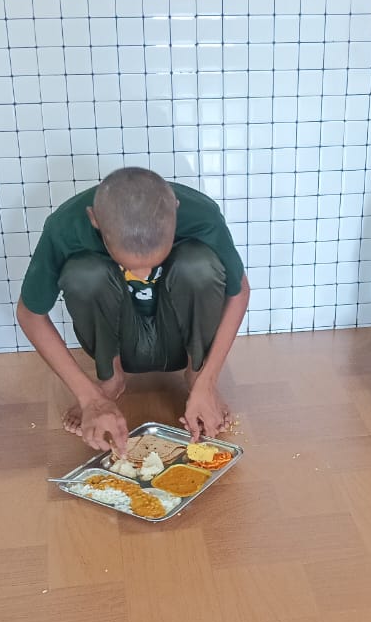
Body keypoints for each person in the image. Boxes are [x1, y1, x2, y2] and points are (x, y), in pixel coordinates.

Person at [16, 167, 250, 450]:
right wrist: (88, 397)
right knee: (83, 273)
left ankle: (198, 376)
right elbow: (30, 314)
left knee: (199, 264)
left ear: (176, 211)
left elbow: (239, 291)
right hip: (119, 341)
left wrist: (209, 381)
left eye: (154, 262)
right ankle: (110, 380)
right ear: (94, 219)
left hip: (179, 339)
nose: (143, 276)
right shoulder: (64, 226)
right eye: (128, 265)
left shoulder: (203, 215)